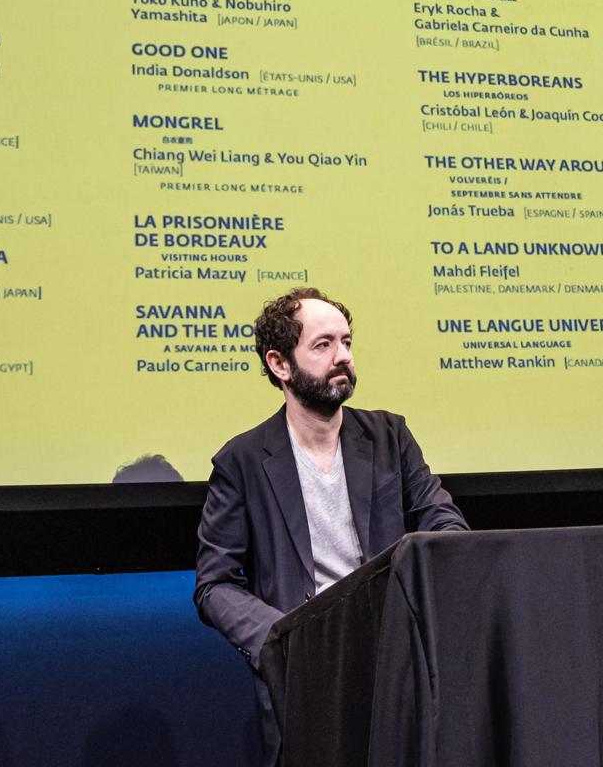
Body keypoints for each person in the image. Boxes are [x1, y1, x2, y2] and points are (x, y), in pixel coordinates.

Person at [194, 286, 467, 764]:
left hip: (397, 661)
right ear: (280, 364)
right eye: (323, 345)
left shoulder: (389, 437)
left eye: (346, 342)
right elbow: (214, 584)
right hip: (308, 674)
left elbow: (445, 525)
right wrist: (284, 639)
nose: (343, 356)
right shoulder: (242, 461)